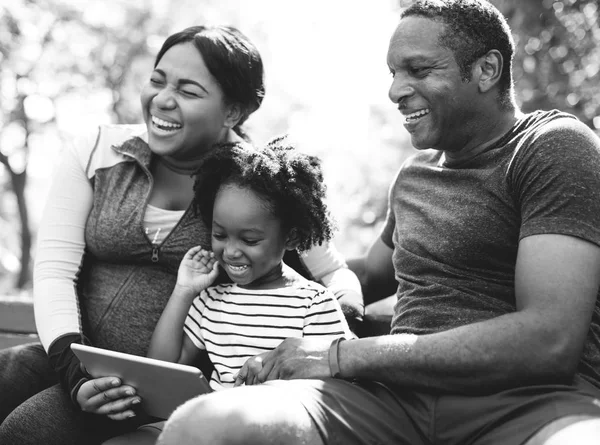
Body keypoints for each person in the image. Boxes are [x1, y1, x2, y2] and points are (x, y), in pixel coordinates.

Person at [154, 1, 600, 444]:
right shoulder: (414, 175)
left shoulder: (551, 147)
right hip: (395, 403)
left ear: (486, 70)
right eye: (393, 73)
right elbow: (366, 274)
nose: (395, 91)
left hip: (528, 403)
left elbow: (549, 339)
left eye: (419, 70)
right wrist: (256, 261)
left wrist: (338, 354)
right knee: (203, 425)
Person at [0, 25, 362, 445]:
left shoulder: (256, 185)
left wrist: (325, 331)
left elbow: (333, 273)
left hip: (158, 389)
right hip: (75, 357)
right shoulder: (97, 152)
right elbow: (53, 273)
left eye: (188, 91)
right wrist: (75, 371)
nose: (163, 100)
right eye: (157, 80)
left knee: (26, 433)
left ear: (234, 111)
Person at [105, 140, 353, 444]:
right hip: (205, 421)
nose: (231, 251)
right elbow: (163, 365)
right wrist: (183, 291)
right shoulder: (211, 300)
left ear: (291, 238)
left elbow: (340, 383)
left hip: (275, 429)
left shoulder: (313, 302)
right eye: (219, 234)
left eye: (249, 240)